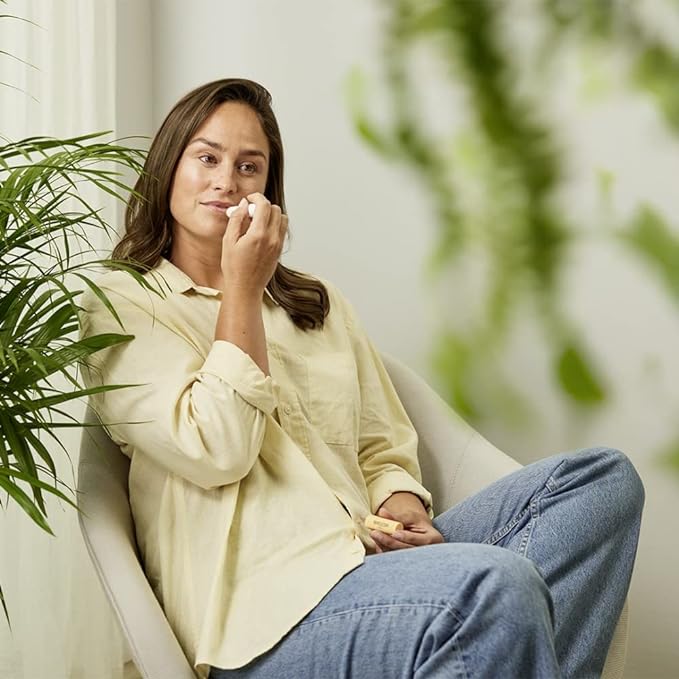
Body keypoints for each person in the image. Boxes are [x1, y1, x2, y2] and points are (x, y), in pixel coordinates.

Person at [80, 78, 644, 679]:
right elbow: (217, 448)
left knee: (602, 483)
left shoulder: (317, 306)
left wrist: (404, 508)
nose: (227, 182)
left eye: (249, 166)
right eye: (207, 158)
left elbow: (383, 443)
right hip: (264, 617)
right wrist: (241, 287)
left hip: (371, 559)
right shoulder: (121, 304)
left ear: (269, 188)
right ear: (169, 166)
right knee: (495, 584)